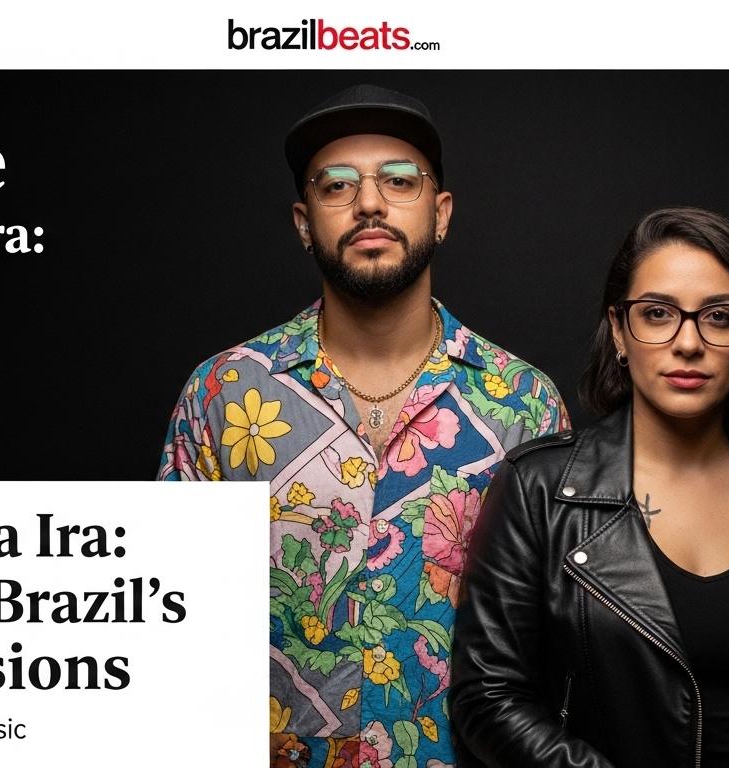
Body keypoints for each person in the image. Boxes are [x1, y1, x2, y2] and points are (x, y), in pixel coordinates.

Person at [157, 84, 570, 767]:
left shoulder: (524, 404)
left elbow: (557, 646)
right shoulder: (224, 394)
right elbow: (175, 634)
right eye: (336, 185)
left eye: (399, 181)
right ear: (302, 221)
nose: (369, 202)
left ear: (440, 215)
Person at [450, 207, 729, 767]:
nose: (688, 343)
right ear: (618, 331)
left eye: (719, 317)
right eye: (657, 314)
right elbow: (488, 697)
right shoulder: (538, 488)